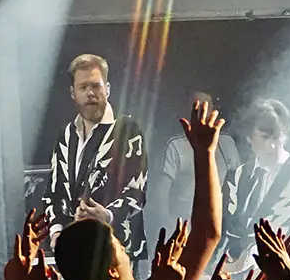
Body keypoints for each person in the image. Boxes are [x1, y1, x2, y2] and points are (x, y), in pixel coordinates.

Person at [42, 54, 148, 259]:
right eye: (83, 87)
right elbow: (54, 192)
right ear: (73, 93)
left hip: (117, 249)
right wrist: (56, 231)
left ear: (107, 89)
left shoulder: (128, 131)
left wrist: (108, 215)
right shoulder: (65, 135)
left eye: (96, 86)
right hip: (75, 248)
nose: (90, 93)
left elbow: (137, 192)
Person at [221, 99, 290, 277]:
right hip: (234, 275)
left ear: (285, 134)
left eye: (276, 138)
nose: (271, 146)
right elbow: (225, 227)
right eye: (263, 137)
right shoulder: (237, 176)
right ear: (249, 137)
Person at [149, 91, 240, 246]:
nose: (202, 113)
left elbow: (237, 182)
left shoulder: (227, 144)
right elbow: (161, 191)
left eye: (207, 107)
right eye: (197, 107)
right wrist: (167, 226)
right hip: (182, 225)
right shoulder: (175, 146)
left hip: (215, 226)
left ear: (214, 111)